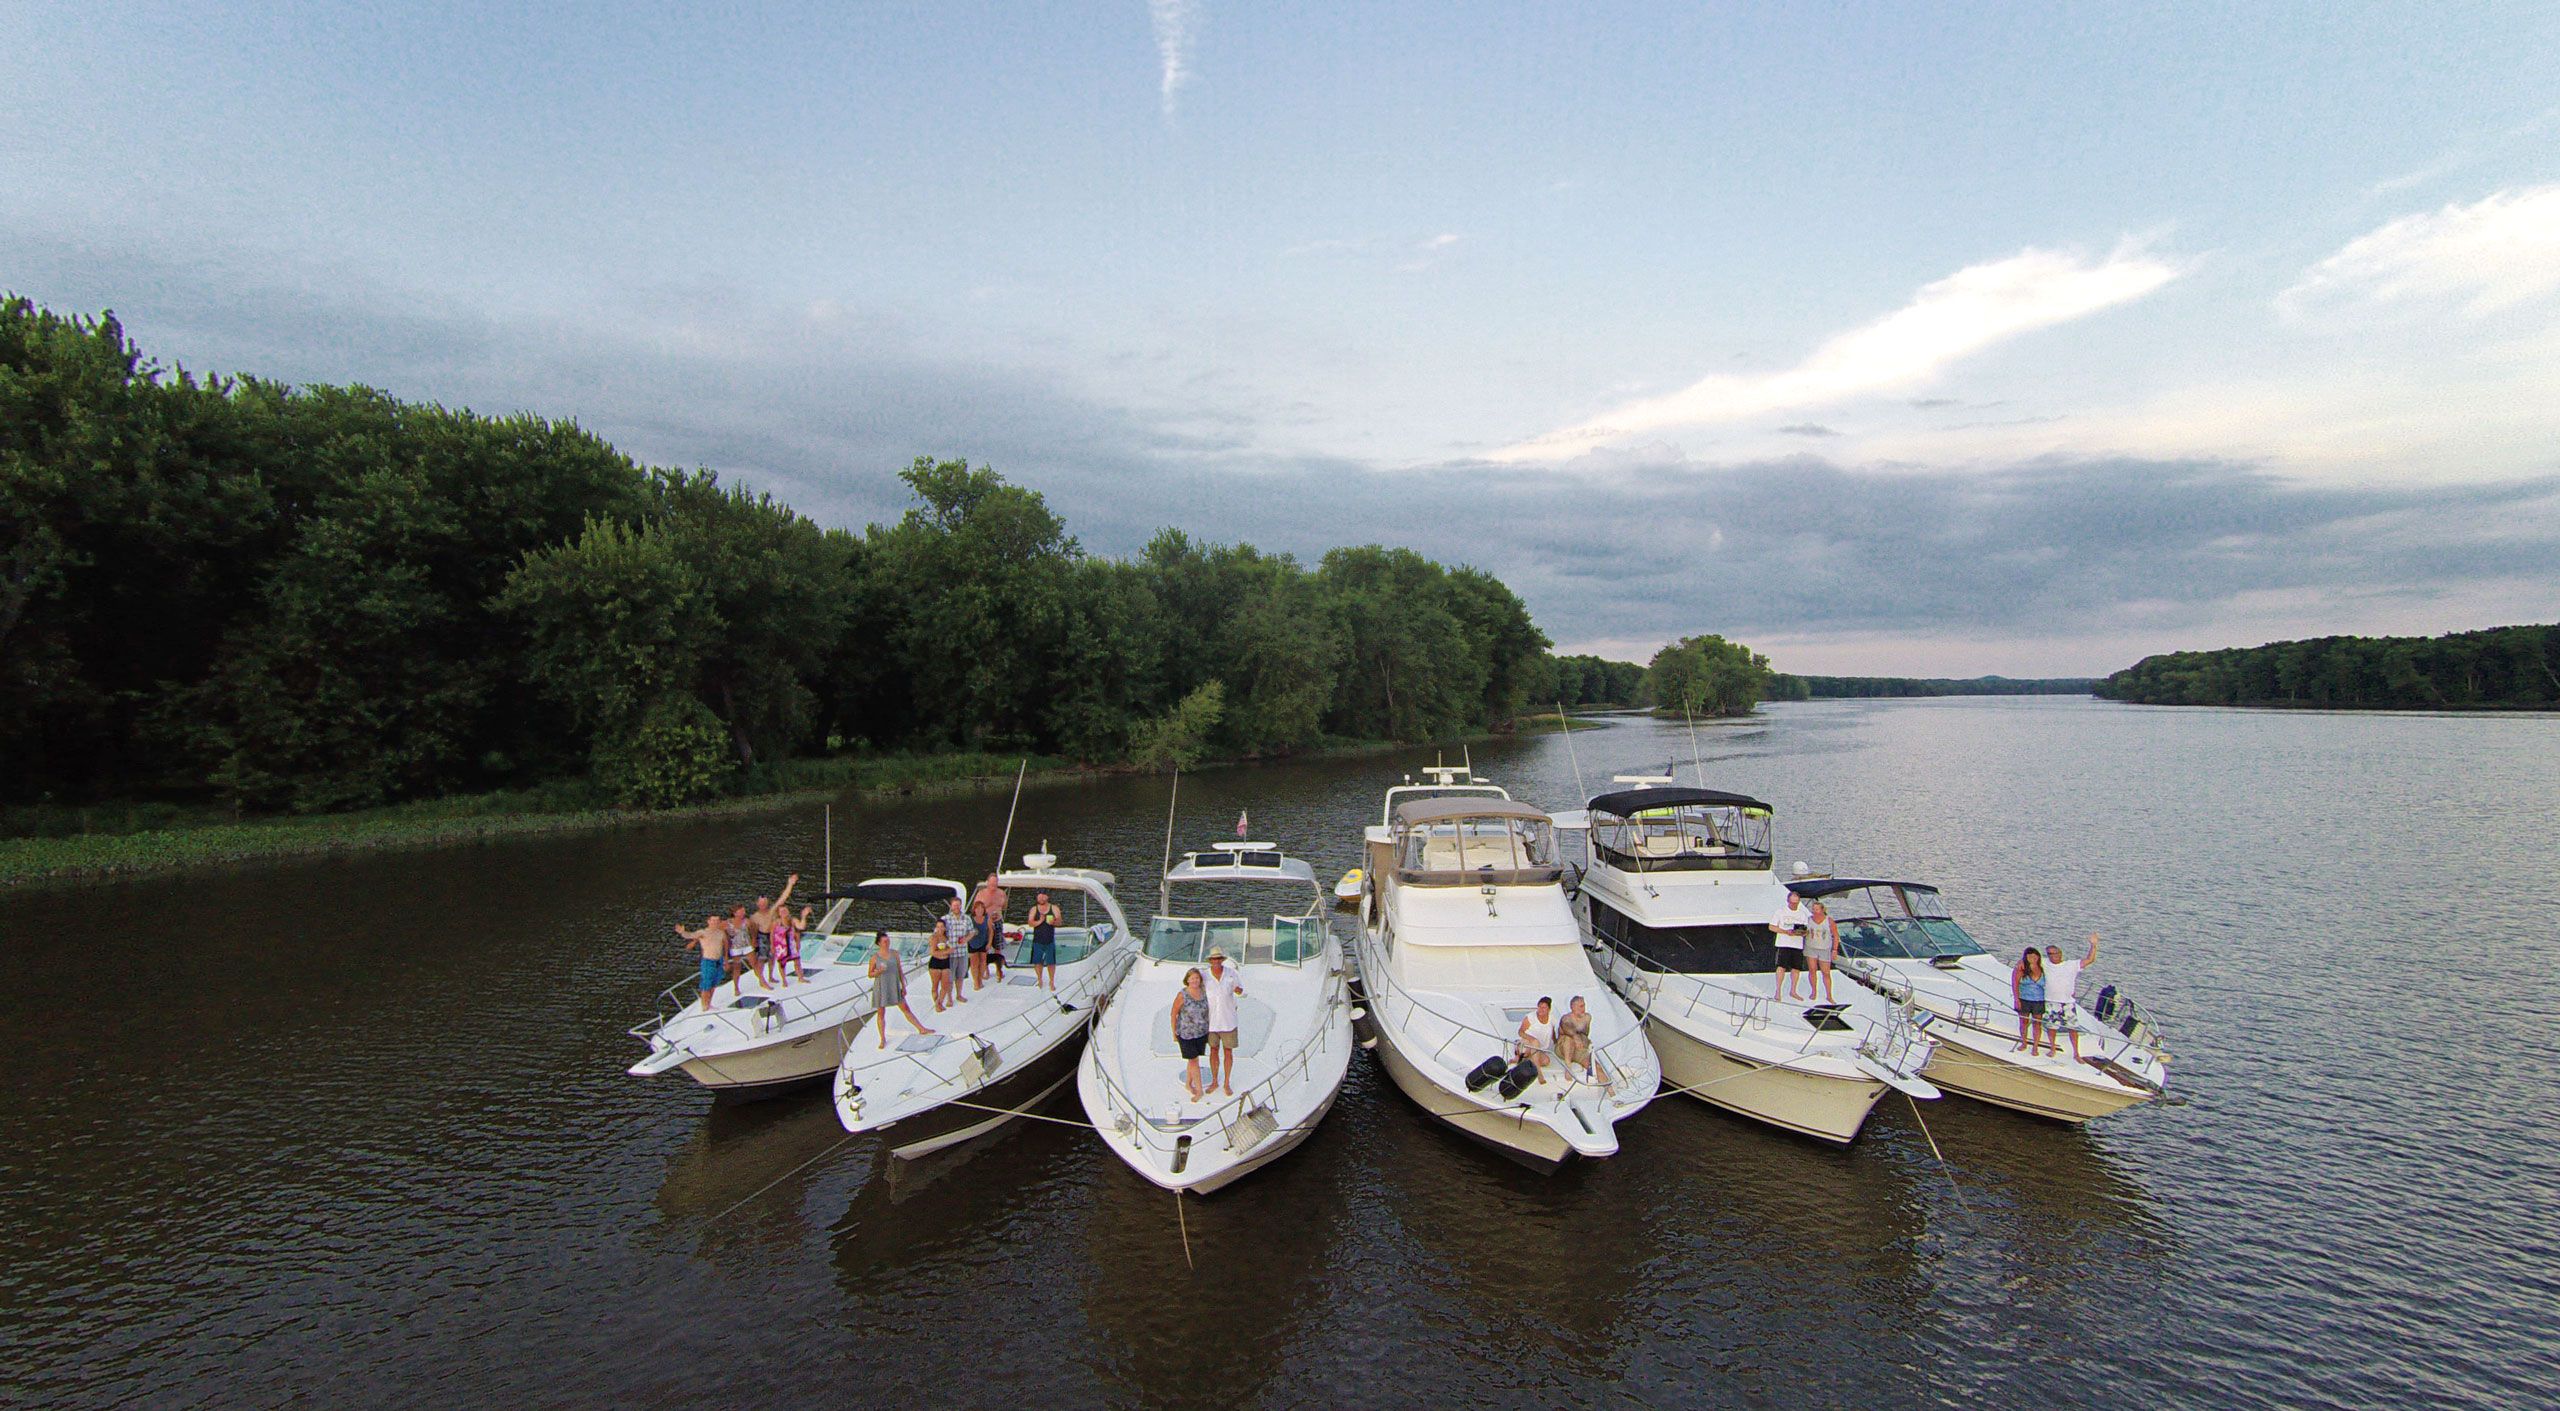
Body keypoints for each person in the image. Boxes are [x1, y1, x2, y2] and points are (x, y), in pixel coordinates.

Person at [867, 929, 933, 1048]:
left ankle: (921, 1028)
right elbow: (870, 974)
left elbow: (900, 971)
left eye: (888, 941)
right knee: (881, 1013)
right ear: (879, 943)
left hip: (894, 985)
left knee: (905, 1008)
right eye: (884, 941)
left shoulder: (895, 954)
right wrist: (878, 971)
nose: (887, 943)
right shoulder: (875, 958)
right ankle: (882, 1039)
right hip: (882, 987)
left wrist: (903, 985)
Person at [2043, 932, 2101, 1060]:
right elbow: (2028, 960)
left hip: (2067, 1002)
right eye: (2050, 954)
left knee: (2073, 1028)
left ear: (2060, 954)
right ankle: (2052, 1048)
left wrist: (2094, 945)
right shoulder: (2044, 963)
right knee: (2051, 1027)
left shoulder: (2071, 965)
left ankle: (2076, 1053)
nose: (2053, 956)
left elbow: (2090, 960)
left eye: (2055, 953)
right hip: (2051, 1002)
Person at [1202, 948, 1245, 1097]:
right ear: (1210, 961)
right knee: (1213, 1050)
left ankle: (1226, 1083)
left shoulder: (1232, 974)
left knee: (1228, 1051)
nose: (1216, 961)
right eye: (1214, 959)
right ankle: (1214, 1081)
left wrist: (1240, 991)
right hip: (1211, 1022)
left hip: (1228, 1021)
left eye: (1219, 958)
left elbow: (1243, 992)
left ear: (1222, 960)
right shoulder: (1204, 975)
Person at [675, 915, 731, 1011]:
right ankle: (704, 1006)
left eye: (717, 921)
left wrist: (726, 960)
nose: (715, 923)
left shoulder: (721, 933)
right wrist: (682, 932)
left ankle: (709, 1003)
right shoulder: (703, 932)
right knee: (706, 984)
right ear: (708, 921)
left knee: (714, 983)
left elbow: (725, 945)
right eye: (713, 921)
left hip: (719, 960)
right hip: (708, 961)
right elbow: (690, 935)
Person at [1171, 968, 1211, 1101]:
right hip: (1186, 1033)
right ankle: (1199, 1090)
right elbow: (1174, 1013)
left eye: (1197, 978)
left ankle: (1188, 1084)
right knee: (1194, 1060)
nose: (1195, 980)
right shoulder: (1182, 995)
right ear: (1187, 979)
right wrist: (1174, 1033)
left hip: (1201, 1032)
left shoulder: (1203, 992)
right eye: (1192, 978)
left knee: (1193, 1059)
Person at [1769, 890, 1812, 1000]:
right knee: (1781, 967)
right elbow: (1772, 927)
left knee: (1796, 968)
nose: (1794, 905)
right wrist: (1785, 932)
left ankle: (1793, 991)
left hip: (1797, 945)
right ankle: (1778, 991)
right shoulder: (1780, 912)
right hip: (1784, 943)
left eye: (1796, 903)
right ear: (1788, 901)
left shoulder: (1802, 914)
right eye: (1792, 903)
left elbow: (1807, 929)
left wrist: (1803, 933)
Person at [2013, 948, 2054, 1056]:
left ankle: (2035, 1047)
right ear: (2025, 957)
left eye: (2035, 956)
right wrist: (2016, 999)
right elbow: (2015, 984)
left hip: (2039, 1001)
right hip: (2024, 999)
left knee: (2037, 1024)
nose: (2033, 958)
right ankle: (2024, 1042)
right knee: (2024, 1023)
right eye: (2030, 956)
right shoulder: (2021, 968)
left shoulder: (2043, 968)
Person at [1803, 900, 1840, 1004]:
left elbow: (1836, 936)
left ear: (1822, 909)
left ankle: (1829, 995)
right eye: (1813, 909)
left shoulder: (1829, 921)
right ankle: (1814, 992)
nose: (1815, 911)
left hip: (1824, 949)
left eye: (1817, 909)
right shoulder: (1808, 919)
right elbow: (1804, 931)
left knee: (1826, 973)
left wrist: (1835, 950)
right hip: (1811, 947)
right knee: (1812, 970)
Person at [1025, 891, 1063, 991]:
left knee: (1051, 962)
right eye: (1039, 896)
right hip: (1038, 939)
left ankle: (1051, 981)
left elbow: (1059, 921)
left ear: (1047, 896)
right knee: (1037, 962)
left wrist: (1053, 922)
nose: (1041, 898)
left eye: (1043, 896)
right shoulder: (1034, 909)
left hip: (1049, 939)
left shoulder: (1054, 908)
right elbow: (1030, 923)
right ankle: (1040, 979)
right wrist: (1040, 921)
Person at [928, 903, 960, 1011]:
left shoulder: (947, 938)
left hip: (945, 962)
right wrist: (947, 951)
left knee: (945, 985)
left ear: (945, 928)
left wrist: (948, 951)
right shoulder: (934, 938)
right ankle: (938, 1004)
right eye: (938, 927)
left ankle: (939, 1003)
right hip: (935, 963)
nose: (940, 929)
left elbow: (952, 947)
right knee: (935, 985)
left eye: (942, 927)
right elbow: (933, 952)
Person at [1555, 995, 1594, 1076]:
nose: (1583, 1009)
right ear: (1573, 1007)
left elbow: (1585, 1035)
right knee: (1568, 1039)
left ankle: (1609, 1087)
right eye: (1580, 1006)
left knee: (1596, 1067)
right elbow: (1568, 1029)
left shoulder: (1587, 1018)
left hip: (1578, 1050)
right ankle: (1568, 1066)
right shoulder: (1566, 1019)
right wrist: (1576, 1037)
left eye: (1584, 1005)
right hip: (1563, 1050)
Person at [1516, 996, 1557, 1069]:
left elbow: (1552, 1033)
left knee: (1546, 1061)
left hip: (1539, 1049)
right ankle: (1538, 1070)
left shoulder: (1552, 1019)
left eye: (1544, 1008)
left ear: (1549, 1009)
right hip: (1527, 1044)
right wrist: (1532, 1039)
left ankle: (1523, 1060)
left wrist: (1556, 1042)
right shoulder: (1530, 1017)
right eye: (1539, 1007)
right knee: (1532, 1046)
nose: (1541, 1009)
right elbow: (1520, 1032)